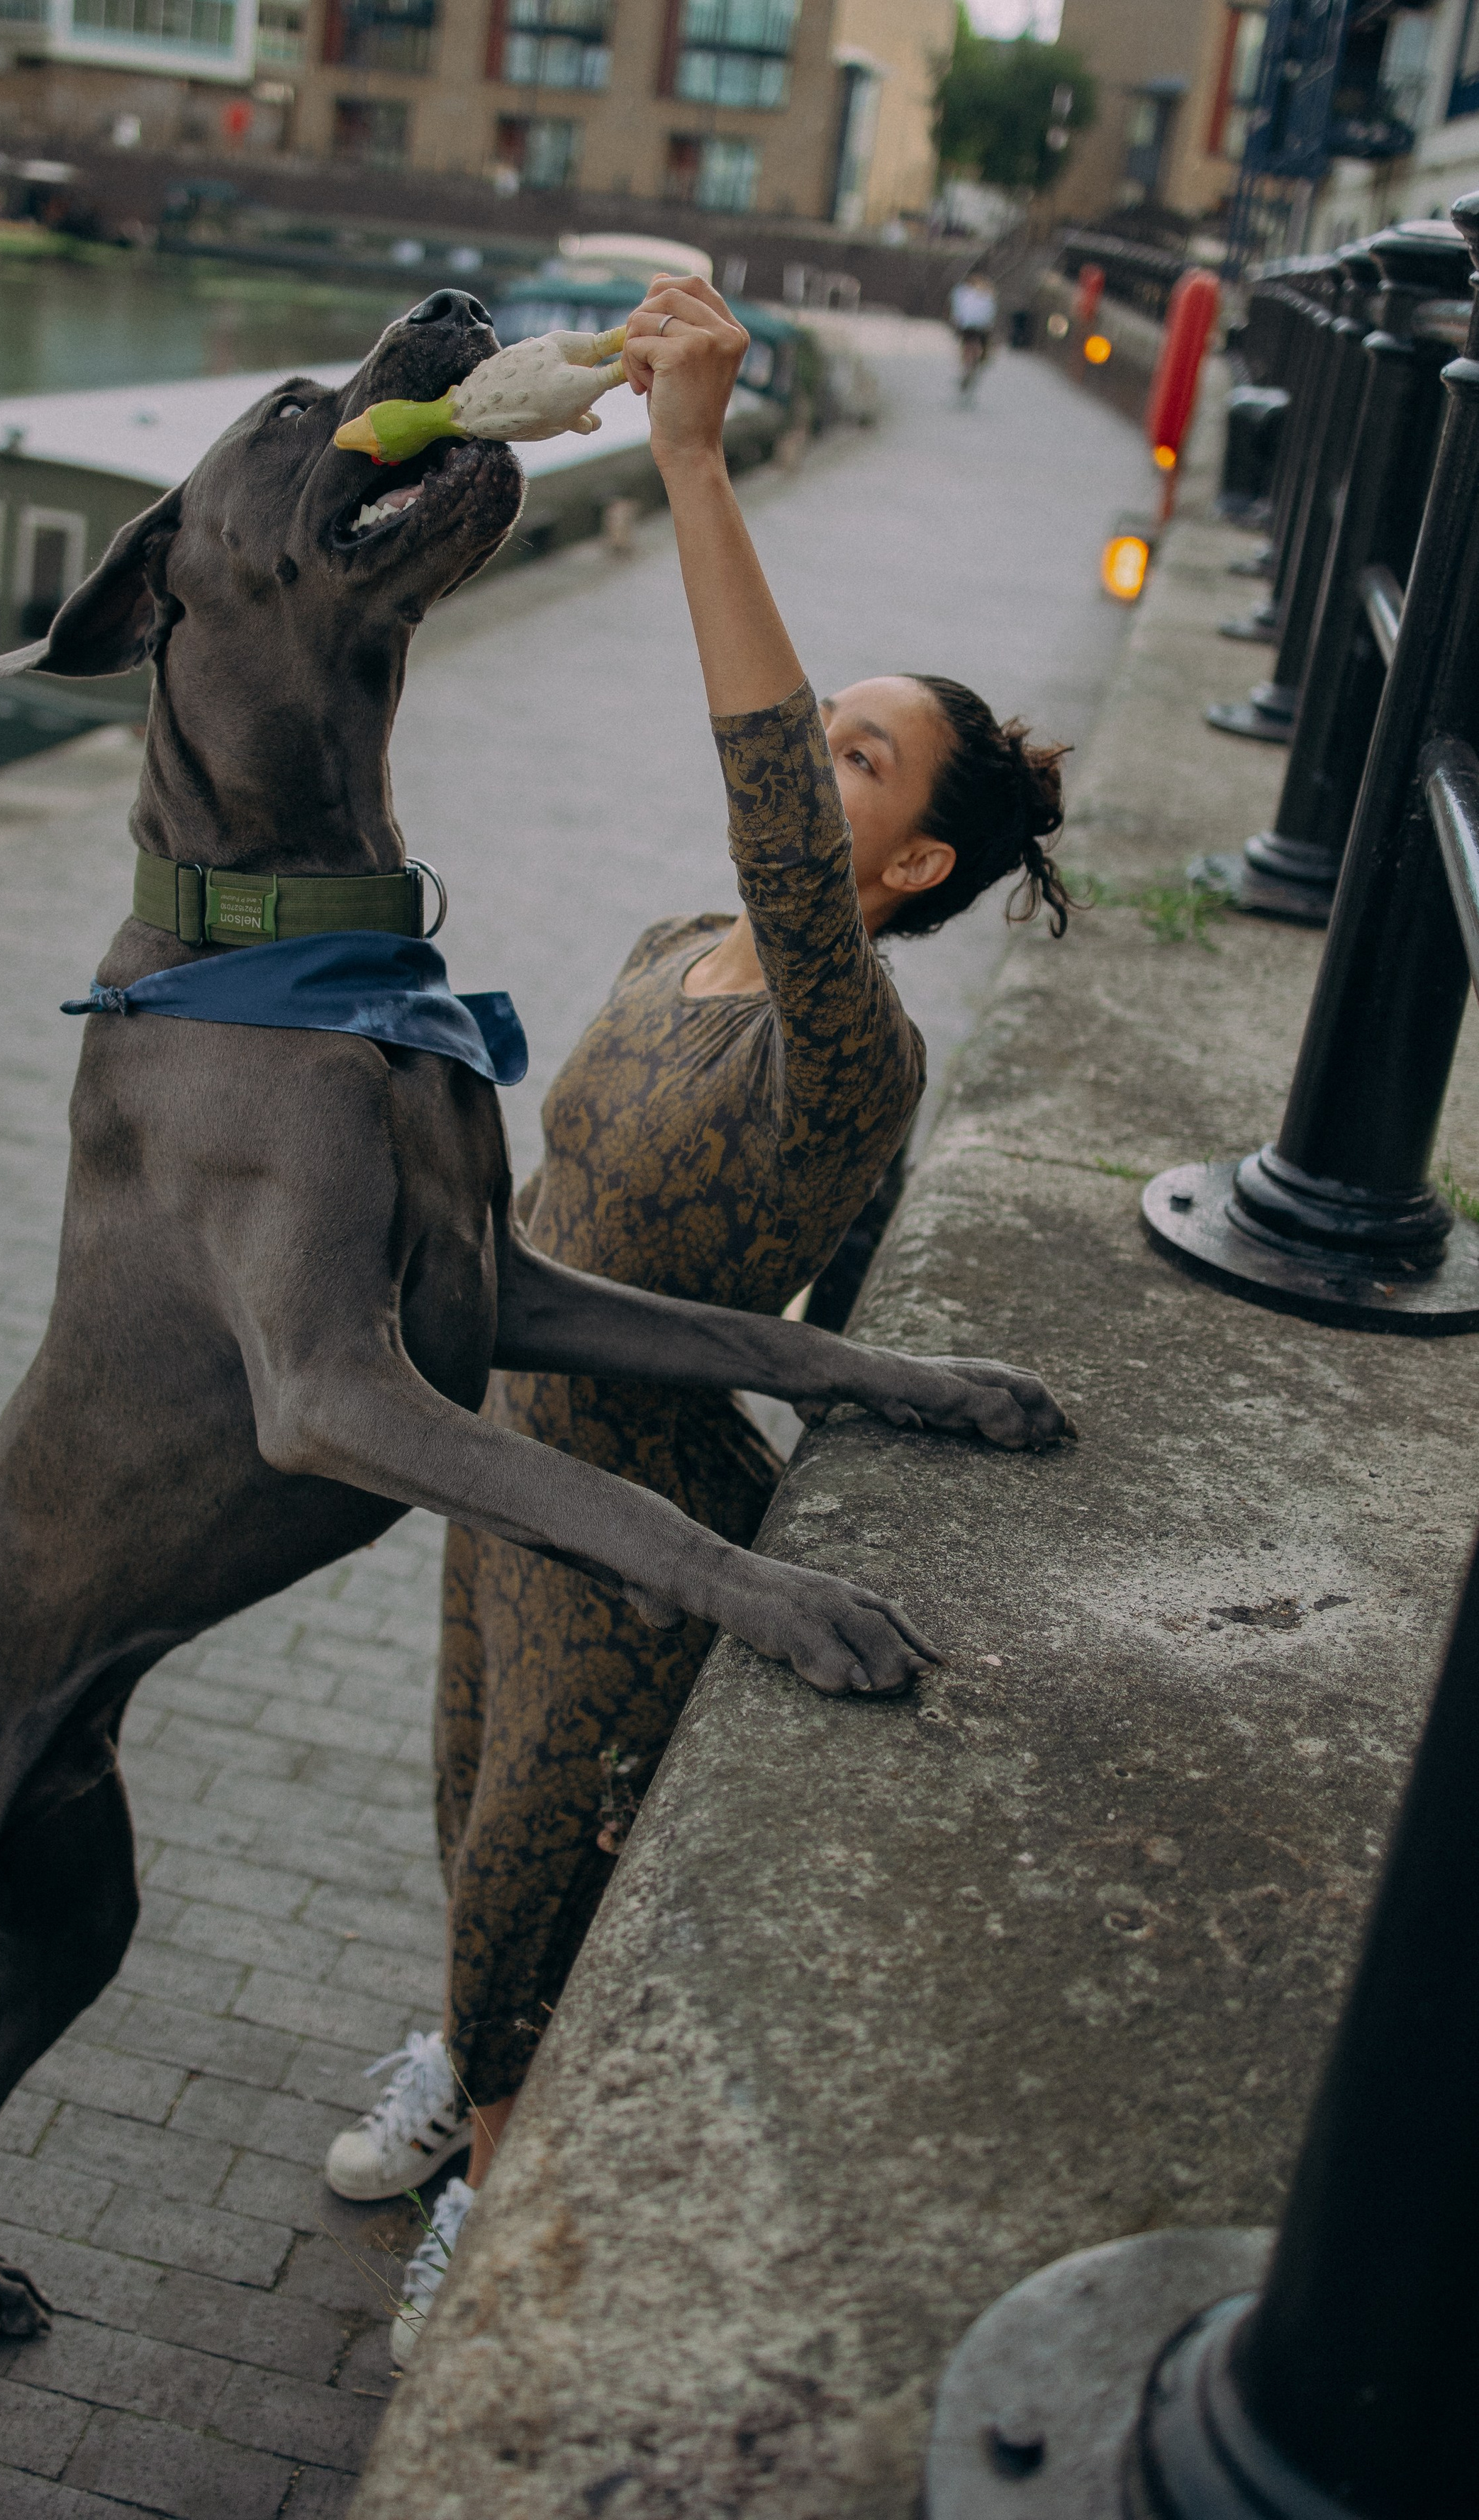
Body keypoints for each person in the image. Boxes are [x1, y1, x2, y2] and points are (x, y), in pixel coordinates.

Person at [323, 275, 1076, 2360]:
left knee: (532, 1851)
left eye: (850, 757)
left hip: (633, 1511)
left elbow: (754, 788)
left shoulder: (849, 1045)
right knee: (468, 1789)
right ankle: (470, 2050)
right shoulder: (683, 943)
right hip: (498, 1452)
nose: (799, 769)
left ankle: (504, 2159)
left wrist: (688, 456)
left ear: (911, 858)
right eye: (815, 725)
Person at [949, 268, 998, 398]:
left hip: (969, 327)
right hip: (977, 328)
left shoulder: (964, 292)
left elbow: (958, 309)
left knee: (969, 347)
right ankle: (971, 368)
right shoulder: (986, 293)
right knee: (975, 348)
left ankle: (968, 368)